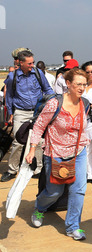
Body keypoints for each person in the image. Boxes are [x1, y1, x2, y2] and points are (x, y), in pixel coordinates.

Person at [25, 68, 90, 240]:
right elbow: (39, 126)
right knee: (55, 192)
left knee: (79, 190)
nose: (82, 88)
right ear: (68, 84)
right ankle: (39, 207)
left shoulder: (85, 103)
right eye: (78, 84)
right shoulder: (55, 103)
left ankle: (73, 227)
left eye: (84, 84)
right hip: (55, 152)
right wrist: (33, 149)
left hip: (79, 152)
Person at [1, 50, 54, 182]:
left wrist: (52, 103)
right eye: (29, 63)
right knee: (18, 141)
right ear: (21, 63)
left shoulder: (38, 73)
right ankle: (12, 169)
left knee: (39, 141)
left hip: (37, 112)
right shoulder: (13, 77)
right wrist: (11, 114)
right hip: (21, 112)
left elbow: (47, 89)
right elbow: (9, 97)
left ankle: (38, 169)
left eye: (33, 62)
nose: (32, 65)